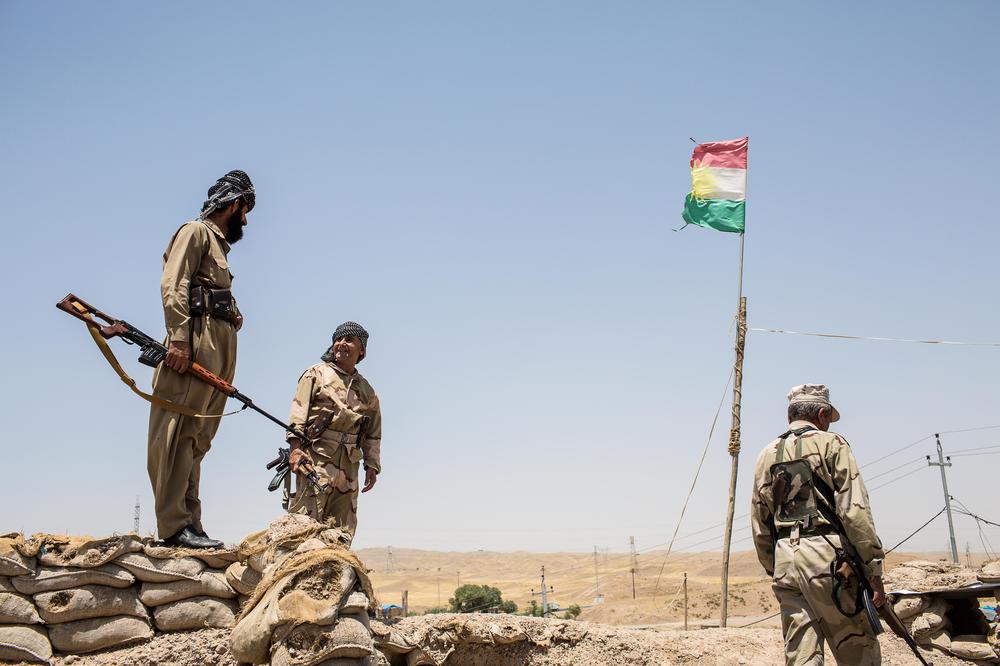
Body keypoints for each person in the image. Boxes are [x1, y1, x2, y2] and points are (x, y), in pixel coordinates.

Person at [147, 170, 255, 549]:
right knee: (178, 432)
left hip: (218, 347)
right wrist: (178, 338)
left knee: (198, 437)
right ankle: (175, 525)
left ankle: (191, 521)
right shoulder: (195, 232)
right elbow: (173, 284)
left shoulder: (219, 246)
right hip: (194, 341)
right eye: (246, 208)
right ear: (234, 203)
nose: (246, 219)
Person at [751, 384, 886, 665]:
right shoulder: (832, 444)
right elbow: (854, 511)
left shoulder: (767, 454)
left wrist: (773, 564)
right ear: (822, 414)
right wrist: (873, 569)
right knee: (858, 650)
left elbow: (760, 519)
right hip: (829, 562)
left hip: (786, 560)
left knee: (801, 655)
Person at [285, 322, 382, 541]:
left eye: (349, 340)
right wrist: (295, 450)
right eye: (338, 339)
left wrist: (372, 465)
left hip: (349, 467)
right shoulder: (316, 374)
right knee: (305, 527)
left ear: (362, 350)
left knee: (341, 533)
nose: (341, 344)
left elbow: (373, 432)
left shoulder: (367, 391)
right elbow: (297, 416)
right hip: (315, 461)